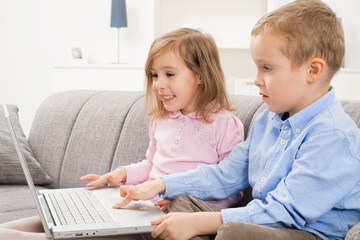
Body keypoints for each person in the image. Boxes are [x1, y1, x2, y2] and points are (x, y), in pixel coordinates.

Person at [116, 1, 360, 240]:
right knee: (183, 203)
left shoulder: (333, 135)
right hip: (262, 221)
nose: (256, 79)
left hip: (306, 231)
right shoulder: (267, 121)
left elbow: (286, 211)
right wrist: (161, 184)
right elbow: (225, 175)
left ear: (313, 71)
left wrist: (202, 222)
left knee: (233, 231)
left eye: (267, 68)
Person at [0, 28, 244, 240]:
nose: (158, 84)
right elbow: (151, 165)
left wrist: (189, 206)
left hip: (167, 221)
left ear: (201, 75)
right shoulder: (161, 120)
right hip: (139, 210)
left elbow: (233, 190)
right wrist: (121, 175)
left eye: (169, 74)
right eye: (154, 75)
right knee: (49, 219)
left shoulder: (225, 124)